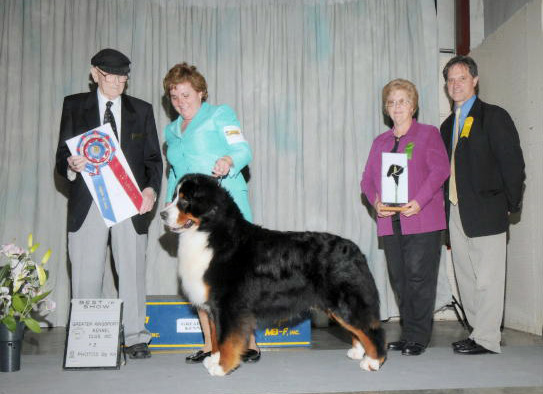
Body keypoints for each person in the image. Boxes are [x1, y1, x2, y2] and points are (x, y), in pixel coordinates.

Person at [55, 48, 163, 359]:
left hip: (130, 203)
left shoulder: (141, 110)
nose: (117, 82)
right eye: (110, 75)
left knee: (131, 269)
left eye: (123, 77)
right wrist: (71, 166)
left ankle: (135, 337)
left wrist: (150, 192)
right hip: (87, 201)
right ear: (94, 73)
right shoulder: (74, 106)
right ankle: (89, 337)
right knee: (87, 273)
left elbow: (153, 161)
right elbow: (61, 155)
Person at [162, 62, 260, 363]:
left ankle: (248, 341)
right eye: (174, 96)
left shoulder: (220, 114)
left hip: (226, 211)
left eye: (186, 95)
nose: (181, 102)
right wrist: (169, 208)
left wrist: (229, 160)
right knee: (196, 276)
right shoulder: (171, 130)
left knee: (234, 278)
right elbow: (175, 174)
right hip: (190, 214)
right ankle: (210, 344)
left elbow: (243, 149)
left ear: (201, 92)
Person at [440, 56, 525, 355]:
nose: (455, 84)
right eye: (450, 80)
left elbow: (513, 164)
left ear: (475, 80)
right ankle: (479, 334)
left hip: (488, 209)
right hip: (456, 210)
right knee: (465, 277)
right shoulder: (447, 124)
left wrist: (510, 204)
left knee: (488, 279)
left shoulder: (494, 116)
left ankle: (488, 339)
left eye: (461, 78)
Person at [361, 79, 450, 356]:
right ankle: (409, 332)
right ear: (386, 109)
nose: (396, 107)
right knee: (399, 279)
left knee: (419, 278)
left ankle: (419, 337)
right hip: (391, 222)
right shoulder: (380, 142)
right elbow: (367, 180)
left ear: (413, 106)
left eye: (402, 101)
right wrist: (376, 202)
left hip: (421, 219)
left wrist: (419, 201)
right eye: (391, 102)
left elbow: (440, 170)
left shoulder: (428, 134)